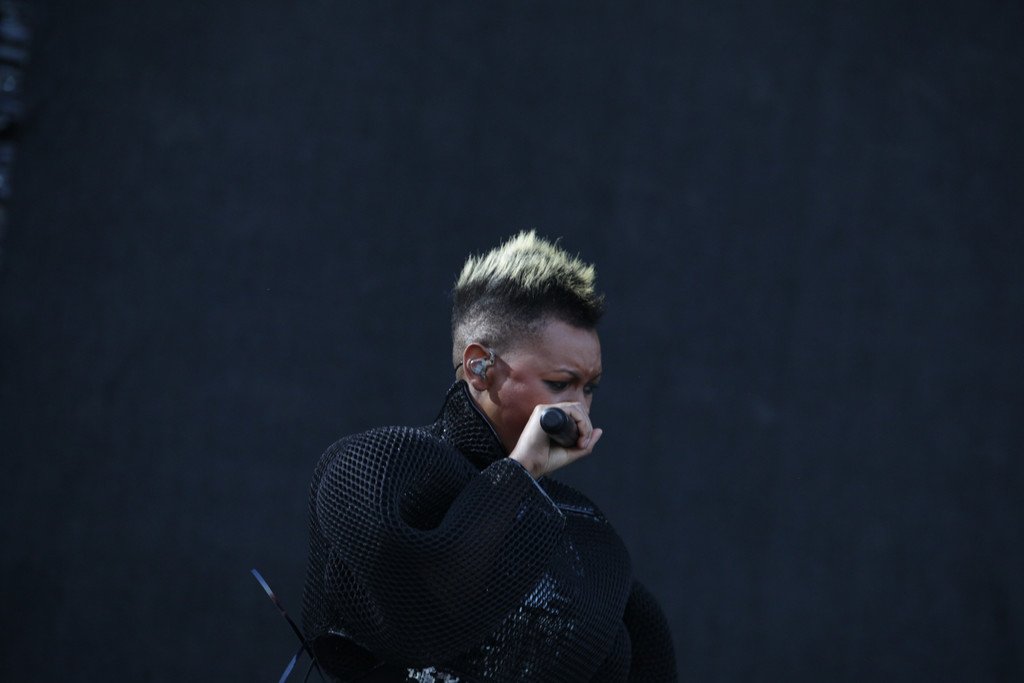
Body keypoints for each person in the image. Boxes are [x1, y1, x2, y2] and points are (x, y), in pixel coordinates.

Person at [302, 231, 677, 682]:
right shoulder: (375, 467)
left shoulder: (587, 537)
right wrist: (520, 472)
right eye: (560, 384)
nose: (579, 410)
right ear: (479, 367)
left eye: (589, 387)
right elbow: (421, 613)